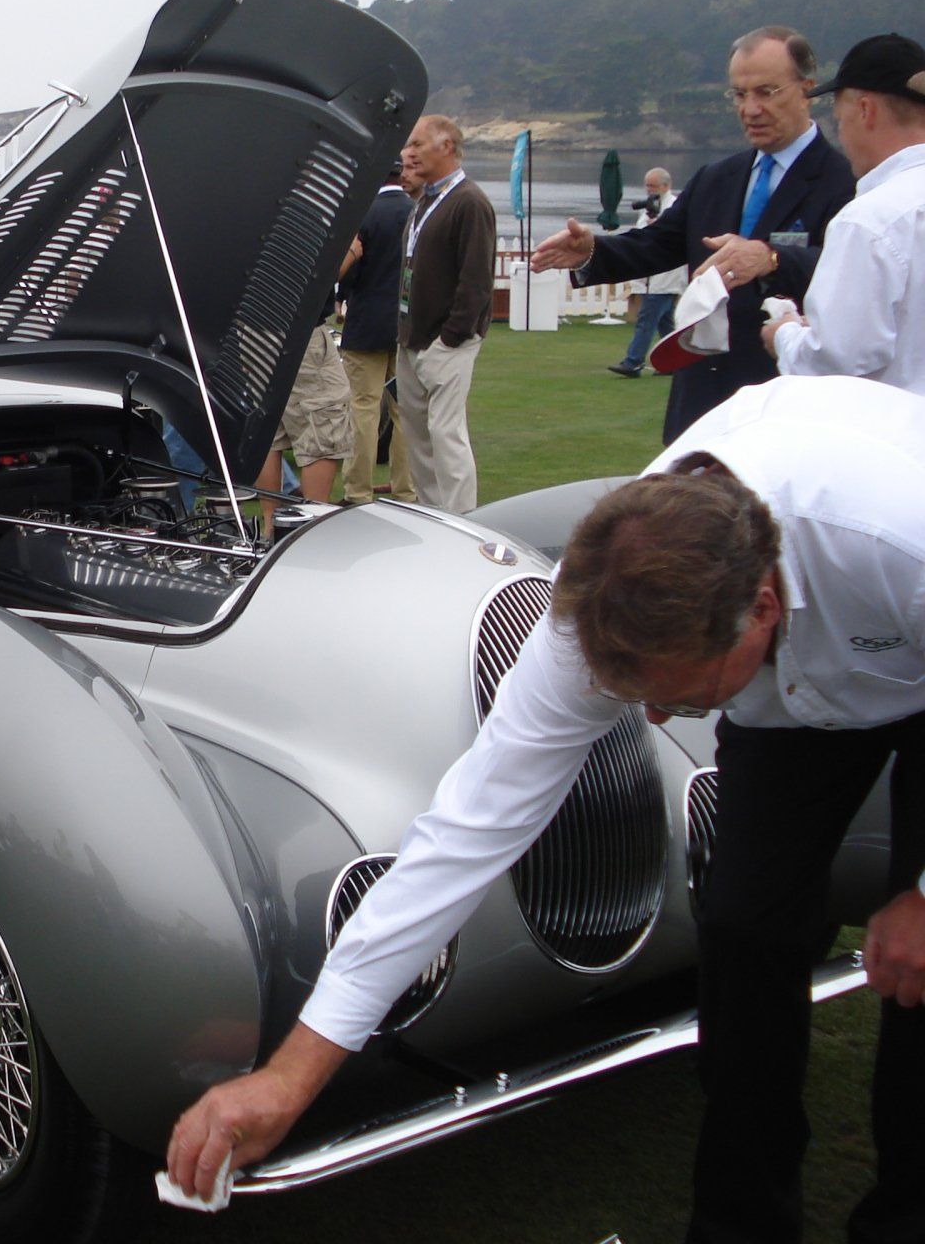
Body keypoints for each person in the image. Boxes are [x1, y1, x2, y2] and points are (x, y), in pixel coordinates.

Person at [165, 374, 925, 1243]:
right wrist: (292, 1077)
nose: (654, 718)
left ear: (759, 610)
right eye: (632, 693)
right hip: (780, 706)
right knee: (746, 930)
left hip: (900, 644)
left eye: (677, 697)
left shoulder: (896, 530)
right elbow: (464, 835)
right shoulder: (588, 616)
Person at [532, 27, 856, 443]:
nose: (750, 109)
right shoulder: (717, 178)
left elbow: (847, 271)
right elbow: (659, 244)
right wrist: (592, 251)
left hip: (785, 404)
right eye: (739, 95)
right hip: (700, 401)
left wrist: (771, 258)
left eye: (766, 92)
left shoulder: (845, 181)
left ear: (807, 90)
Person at [764, 33, 925, 395]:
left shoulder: (870, 220)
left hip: (897, 438)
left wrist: (785, 334)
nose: (841, 133)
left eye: (839, 118)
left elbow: (836, 361)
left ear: (865, 110)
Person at [395, 114, 495, 513]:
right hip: (412, 339)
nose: (409, 153)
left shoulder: (469, 202)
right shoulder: (424, 202)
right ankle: (433, 515)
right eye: (408, 145)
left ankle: (463, 520)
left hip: (446, 343)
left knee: (445, 435)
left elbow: (476, 280)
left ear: (447, 147)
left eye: (418, 144)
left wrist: (451, 338)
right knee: (418, 438)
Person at [336, 166, 414, 502]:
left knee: (362, 408)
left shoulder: (363, 214)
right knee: (405, 412)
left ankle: (358, 490)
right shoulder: (417, 212)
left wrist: (342, 297)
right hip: (408, 324)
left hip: (367, 322)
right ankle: (406, 488)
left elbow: (350, 267)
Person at [256, 311, 350, 503]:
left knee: (267, 433)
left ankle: (271, 527)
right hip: (300, 326)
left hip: (254, 330)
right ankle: (311, 522)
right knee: (322, 427)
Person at [606, 168, 686, 377]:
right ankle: (677, 362)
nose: (649, 189)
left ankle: (633, 362)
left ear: (665, 186)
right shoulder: (650, 207)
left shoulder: (675, 207)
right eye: (647, 185)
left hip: (664, 276)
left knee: (646, 320)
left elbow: (678, 239)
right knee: (665, 322)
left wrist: (656, 228)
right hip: (650, 275)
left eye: (653, 186)